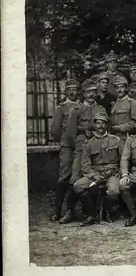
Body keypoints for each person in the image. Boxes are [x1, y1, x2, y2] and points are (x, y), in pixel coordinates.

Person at [62, 79, 107, 223]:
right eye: (88, 92)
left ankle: (93, 211)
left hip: (98, 148)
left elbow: (107, 127)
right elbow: (70, 133)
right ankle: (70, 211)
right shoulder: (77, 110)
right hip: (81, 147)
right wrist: (78, 146)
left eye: (94, 92)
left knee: (96, 177)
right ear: (84, 94)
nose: (91, 95)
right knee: (75, 177)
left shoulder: (101, 109)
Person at [71, 111, 123, 226]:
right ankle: (92, 214)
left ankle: (107, 211)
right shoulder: (88, 144)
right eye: (98, 123)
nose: (101, 126)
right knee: (78, 186)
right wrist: (94, 176)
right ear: (94, 125)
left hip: (112, 173)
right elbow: (85, 165)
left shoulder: (116, 140)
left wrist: (118, 172)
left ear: (107, 125)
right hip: (96, 174)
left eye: (103, 123)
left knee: (114, 191)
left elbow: (123, 160)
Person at [49, 79, 81, 221]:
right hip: (67, 146)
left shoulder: (81, 106)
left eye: (75, 89)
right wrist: (64, 140)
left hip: (79, 146)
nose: (73, 92)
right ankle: (57, 210)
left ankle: (70, 210)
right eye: (70, 90)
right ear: (66, 91)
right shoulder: (61, 108)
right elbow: (55, 130)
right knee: (63, 176)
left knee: (75, 177)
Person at [110, 75, 136, 143]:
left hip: (128, 139)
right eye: (117, 87)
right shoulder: (114, 104)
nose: (119, 90)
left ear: (126, 88)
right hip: (114, 139)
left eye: (122, 87)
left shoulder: (132, 103)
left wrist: (118, 128)